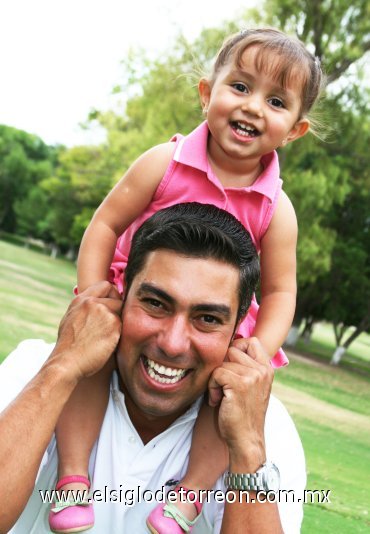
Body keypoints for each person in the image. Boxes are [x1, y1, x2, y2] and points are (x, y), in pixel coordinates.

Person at [53, 27, 323, 533]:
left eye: (276, 101)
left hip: (219, 322)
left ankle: (188, 497)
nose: (252, 108)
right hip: (138, 300)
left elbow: (282, 290)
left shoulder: (277, 208)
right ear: (206, 93)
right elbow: (105, 224)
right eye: (239, 87)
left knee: (226, 401)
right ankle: (72, 476)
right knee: (88, 362)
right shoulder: (165, 162)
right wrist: (92, 292)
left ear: (294, 131)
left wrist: (257, 350)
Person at [0, 203, 305, 534]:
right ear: (122, 292)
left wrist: (247, 448)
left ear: (237, 332)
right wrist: (60, 370)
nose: (173, 344)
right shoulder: (39, 368)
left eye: (207, 319)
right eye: (156, 304)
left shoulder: (266, 429)